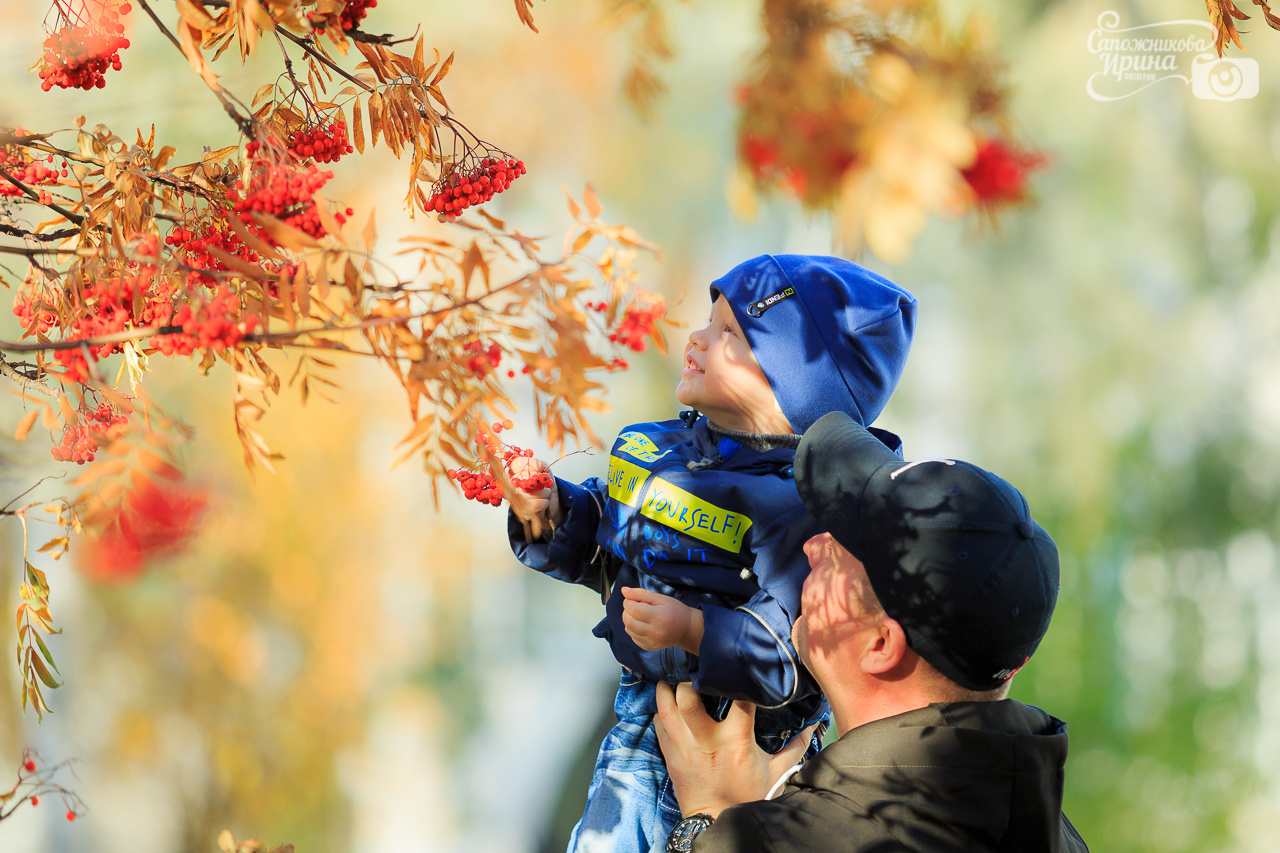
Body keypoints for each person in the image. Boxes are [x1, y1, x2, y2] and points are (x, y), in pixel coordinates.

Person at [506, 255, 917, 853]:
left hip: (751, 751)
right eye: (709, 320)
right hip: (642, 721)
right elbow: (608, 537)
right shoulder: (661, 451)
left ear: (793, 387)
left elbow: (795, 654)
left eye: (732, 334)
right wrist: (551, 514)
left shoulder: (807, 514)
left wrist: (694, 629)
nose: (697, 337)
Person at [653, 411, 1090, 852]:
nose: (812, 544)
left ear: (881, 645)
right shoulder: (1046, 824)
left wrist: (710, 821)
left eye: (839, 552)